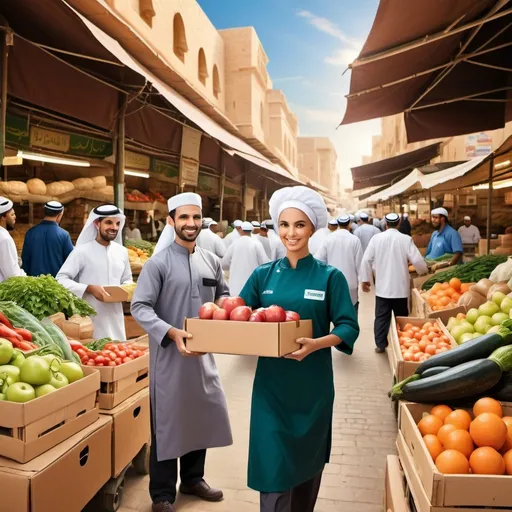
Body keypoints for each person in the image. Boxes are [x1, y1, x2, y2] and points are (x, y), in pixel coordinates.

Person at [239, 186, 359, 512]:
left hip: (313, 389)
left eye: (299, 225)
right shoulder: (262, 277)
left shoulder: (329, 277)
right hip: (271, 389)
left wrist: (317, 344)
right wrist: (204, 341)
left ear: (312, 228)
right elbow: (236, 318)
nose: (291, 233)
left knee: (306, 471)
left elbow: (349, 326)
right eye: (284, 225)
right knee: (273, 471)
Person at [131, 193, 232, 512]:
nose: (191, 223)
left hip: (203, 358)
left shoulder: (212, 261)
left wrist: (224, 316)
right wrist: (170, 332)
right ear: (171, 221)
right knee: (168, 422)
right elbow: (139, 306)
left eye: (195, 217)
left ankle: (192, 478)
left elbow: (224, 297)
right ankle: (161, 494)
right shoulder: (157, 263)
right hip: (169, 360)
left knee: (199, 414)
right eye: (183, 218)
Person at [57, 205, 133, 340]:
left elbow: (127, 279)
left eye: (117, 223)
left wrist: (125, 289)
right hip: (90, 319)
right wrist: (88, 288)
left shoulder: (121, 251)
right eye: (109, 222)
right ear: (97, 224)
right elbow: (61, 279)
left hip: (116, 318)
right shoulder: (81, 251)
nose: (114, 227)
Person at [360, 213, 428, 353]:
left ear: (386, 224)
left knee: (381, 317)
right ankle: (403, 343)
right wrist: (423, 272)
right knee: (401, 317)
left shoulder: (376, 239)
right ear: (398, 224)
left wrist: (365, 279)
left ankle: (380, 344)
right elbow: (417, 261)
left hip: (382, 288)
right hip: (400, 287)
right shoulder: (405, 239)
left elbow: (366, 260)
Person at [316, 214, 363, 314]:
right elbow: (359, 264)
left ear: (338, 224)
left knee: (334, 311)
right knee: (352, 311)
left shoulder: (328, 239)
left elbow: (319, 260)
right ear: (349, 224)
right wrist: (363, 280)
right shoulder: (355, 240)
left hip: (333, 282)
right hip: (351, 284)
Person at [21, 201, 74, 277]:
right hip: (56, 285)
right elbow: (70, 261)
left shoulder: (30, 232)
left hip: (33, 283)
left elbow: (25, 261)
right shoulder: (64, 235)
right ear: (59, 215)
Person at [222, 221, 269, 296]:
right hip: (251, 286)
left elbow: (224, 263)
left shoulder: (235, 243)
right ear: (252, 230)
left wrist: (233, 265)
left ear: (241, 230)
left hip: (235, 286)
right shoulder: (256, 244)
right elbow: (265, 263)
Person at [0, 197, 25, 282]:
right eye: (12, 214)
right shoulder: (4, 239)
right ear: (3, 217)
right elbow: (11, 274)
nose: (15, 217)